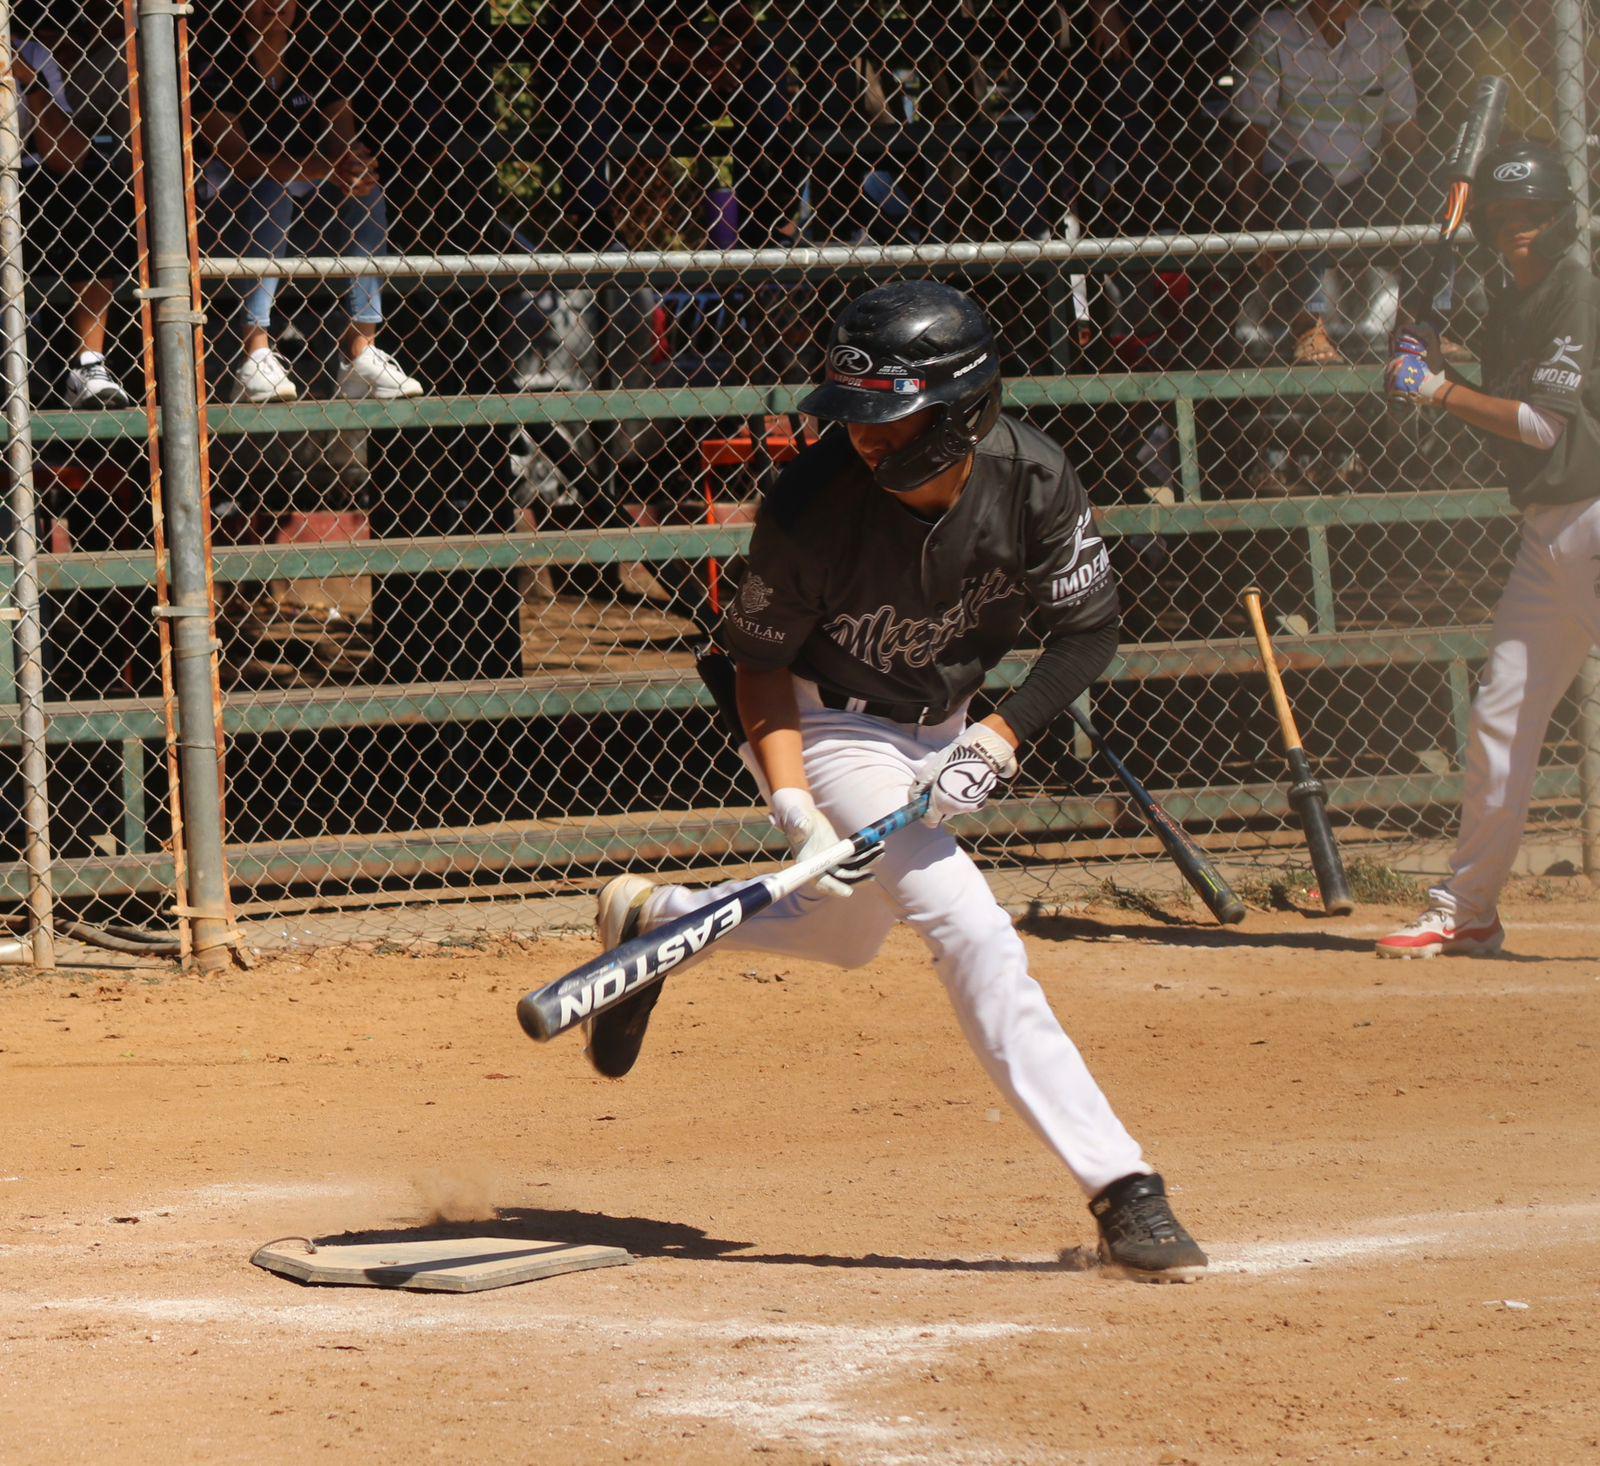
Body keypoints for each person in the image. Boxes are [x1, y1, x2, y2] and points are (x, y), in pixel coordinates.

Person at [580, 281, 1209, 1283]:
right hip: (827, 725)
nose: (867, 438)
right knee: (969, 926)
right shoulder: (812, 498)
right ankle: (1123, 1185)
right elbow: (757, 665)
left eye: (893, 415)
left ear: (962, 409)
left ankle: (660, 920)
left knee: (845, 932)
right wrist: (795, 807)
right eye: (856, 415)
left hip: (946, 724)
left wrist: (999, 734)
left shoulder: (1033, 480)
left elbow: (1087, 632)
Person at [1378, 141, 1600, 959]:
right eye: (1503, 216)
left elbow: (1541, 424)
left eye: (1532, 213)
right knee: (1499, 718)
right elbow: (1508, 397)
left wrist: (1437, 389)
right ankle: (1468, 908)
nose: (1517, 228)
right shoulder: (1512, 301)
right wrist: (1434, 357)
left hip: (1595, 513)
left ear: (1561, 216)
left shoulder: (1575, 291)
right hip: (1546, 534)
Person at [194, 0, 422, 403]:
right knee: (272, 189)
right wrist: (320, 168)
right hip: (230, 220)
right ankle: (256, 355)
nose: (274, 4)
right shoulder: (217, 61)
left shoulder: (315, 55)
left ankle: (361, 353)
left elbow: (341, 138)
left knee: (365, 195)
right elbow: (240, 160)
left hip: (305, 220)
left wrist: (355, 167)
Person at [1232, 0, 1422, 364]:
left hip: (1359, 186)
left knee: (1431, 175)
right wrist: (1250, 218)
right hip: (1293, 190)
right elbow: (1251, 135)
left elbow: (1403, 131)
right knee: (1313, 178)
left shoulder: (1382, 27)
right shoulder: (1273, 31)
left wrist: (1423, 181)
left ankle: (1417, 329)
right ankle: (1309, 327)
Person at [12, 20, 136, 407]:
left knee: (95, 187)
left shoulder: (31, 53)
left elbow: (67, 155)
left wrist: (29, 81)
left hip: (26, 190)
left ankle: (87, 365)